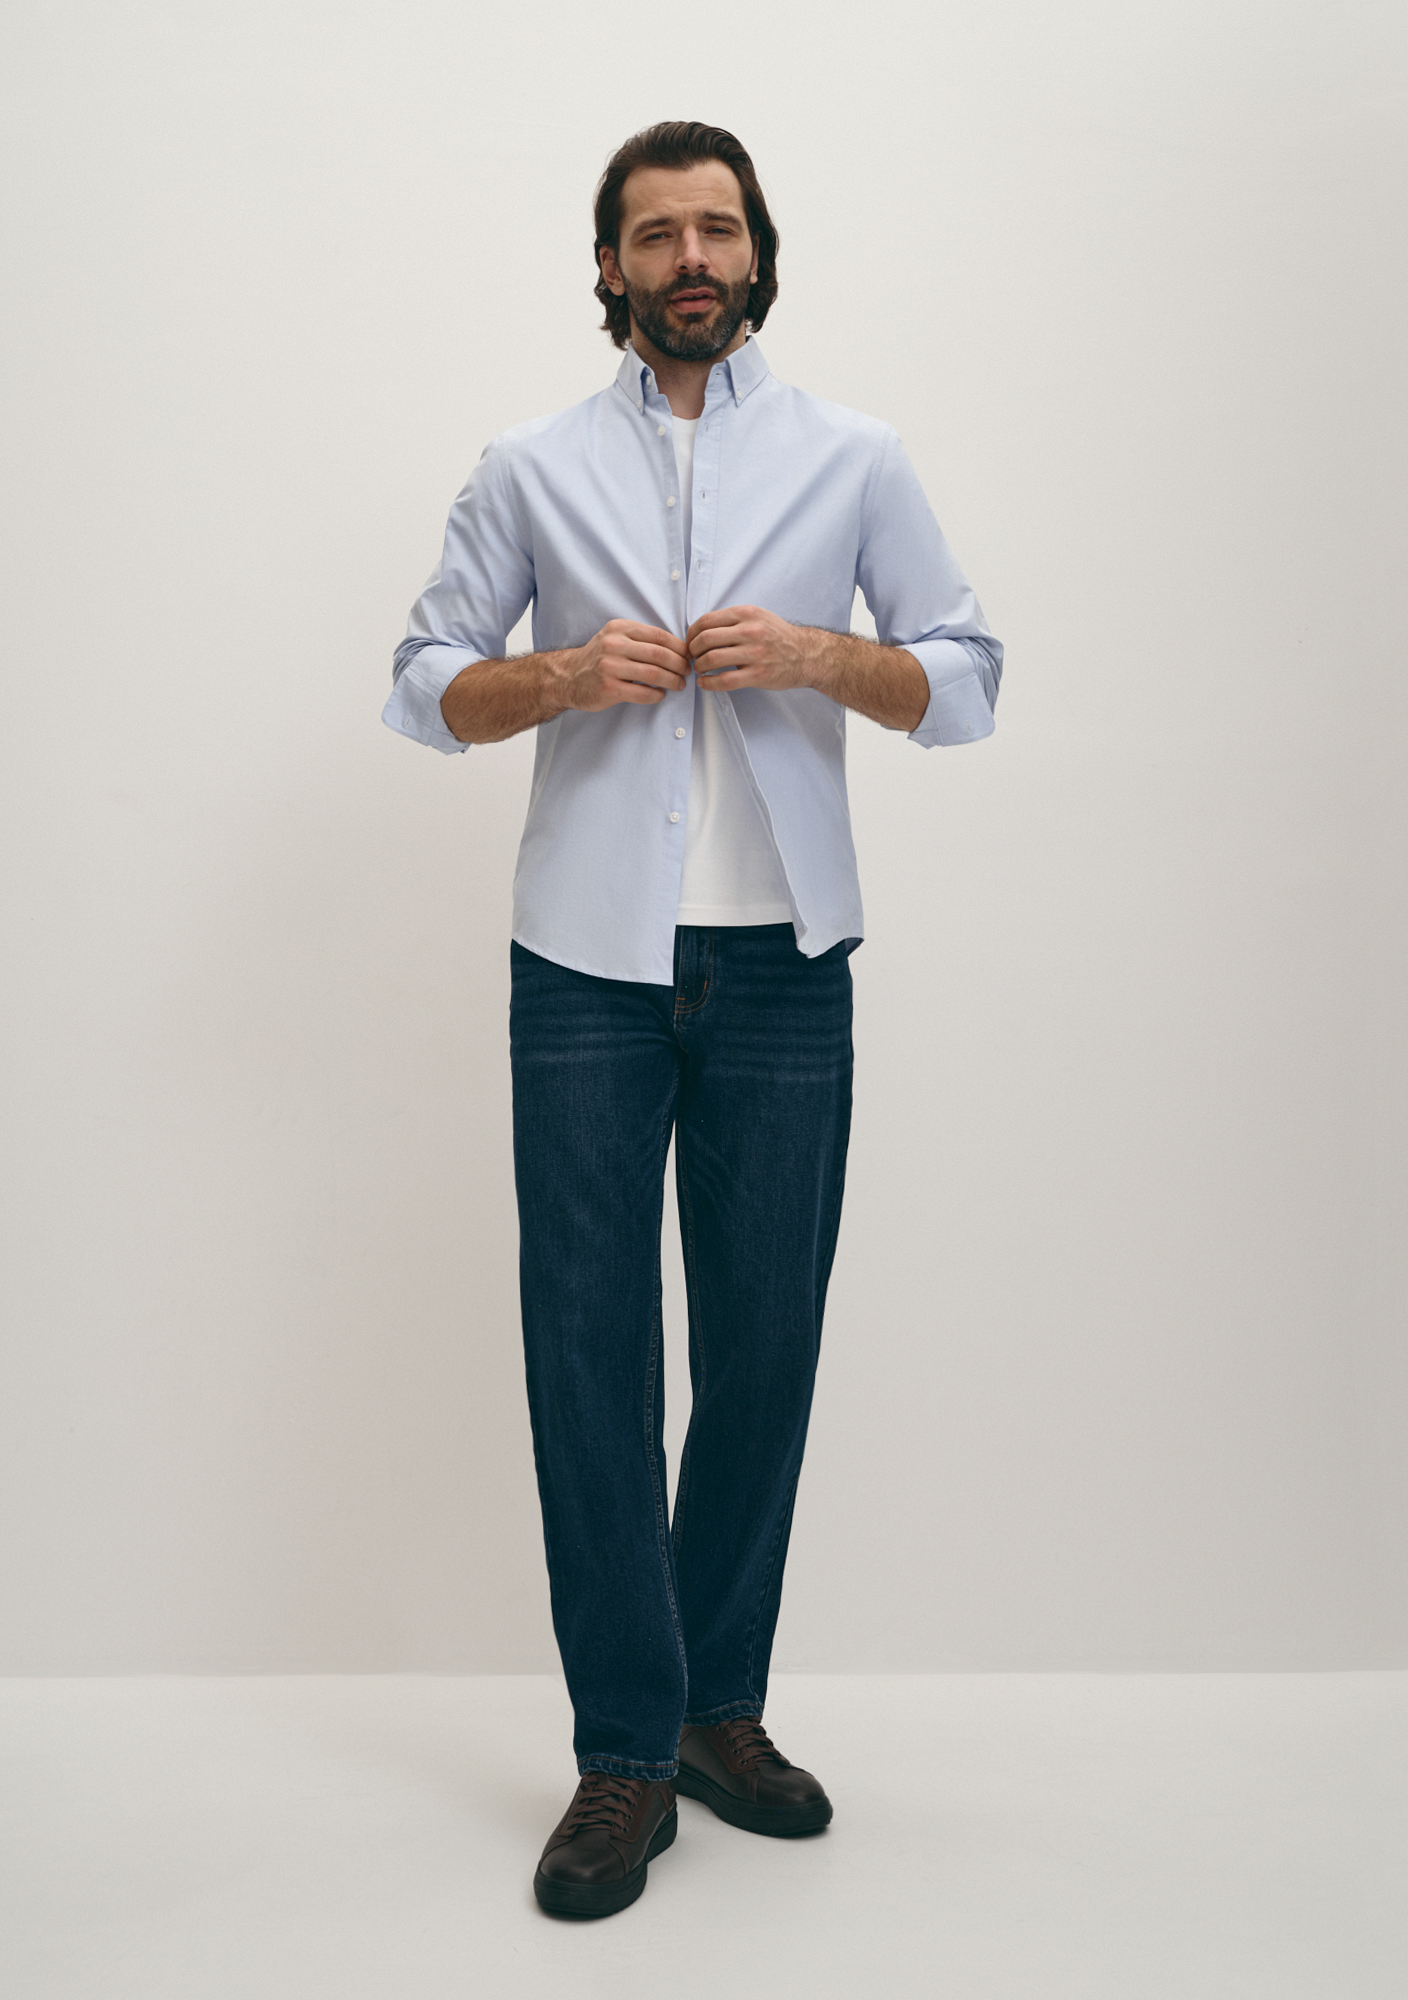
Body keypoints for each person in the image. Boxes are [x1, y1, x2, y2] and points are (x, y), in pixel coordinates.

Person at [384, 120, 1002, 1919]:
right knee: (586, 1350)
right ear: (611, 269)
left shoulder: (852, 457)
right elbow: (425, 682)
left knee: (764, 1345)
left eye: (716, 228)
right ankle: (623, 1751)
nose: (691, 259)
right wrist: (565, 675)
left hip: (784, 962)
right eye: (655, 235)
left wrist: (818, 655)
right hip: (583, 964)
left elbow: (968, 677)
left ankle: (719, 1707)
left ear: (758, 252)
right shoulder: (528, 466)